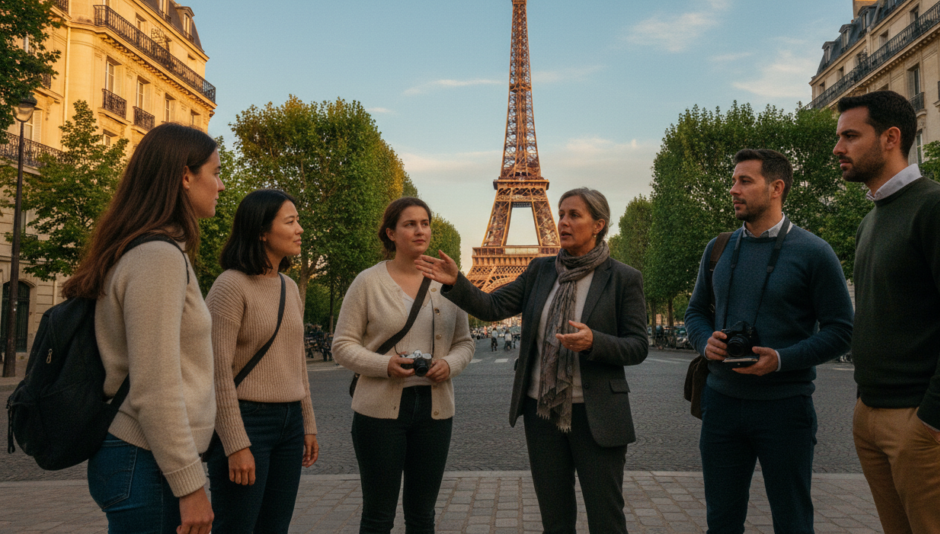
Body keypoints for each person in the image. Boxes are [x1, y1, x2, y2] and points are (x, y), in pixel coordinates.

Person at [417, 187, 649, 534]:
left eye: (575, 215)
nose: (563, 222)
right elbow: (493, 306)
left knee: (606, 517)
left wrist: (593, 342)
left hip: (597, 413)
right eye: (561, 213)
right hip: (543, 412)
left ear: (598, 224)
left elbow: (637, 345)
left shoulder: (623, 278)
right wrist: (457, 282)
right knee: (554, 518)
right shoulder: (541, 270)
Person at [834, 91, 940, 534]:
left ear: (890, 138)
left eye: (850, 135)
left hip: (925, 423)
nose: (838, 148)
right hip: (874, 414)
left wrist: (932, 420)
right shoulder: (871, 220)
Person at [684, 149, 853, 534]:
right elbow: (695, 312)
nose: (733, 189)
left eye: (745, 181)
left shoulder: (815, 252)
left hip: (785, 408)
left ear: (776, 188)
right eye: (733, 180)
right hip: (721, 404)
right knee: (721, 522)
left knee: (793, 522)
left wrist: (781, 358)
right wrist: (703, 340)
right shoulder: (718, 249)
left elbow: (842, 330)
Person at [65, 123, 223, 533]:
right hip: (145, 460)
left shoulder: (145, 249)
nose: (221, 185)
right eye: (215, 172)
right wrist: (190, 487)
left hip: (140, 459)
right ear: (186, 177)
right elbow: (155, 384)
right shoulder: (158, 256)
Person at [333, 197, 476, 533]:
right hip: (378, 413)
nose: (420, 230)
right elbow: (342, 345)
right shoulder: (367, 282)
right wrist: (385, 365)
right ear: (391, 234)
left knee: (423, 516)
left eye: (425, 223)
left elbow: (465, 342)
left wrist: (449, 365)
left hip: (435, 410)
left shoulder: (449, 281)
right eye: (410, 224)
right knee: (378, 516)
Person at [205, 189, 320, 533]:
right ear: (261, 231)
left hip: (289, 423)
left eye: (298, 220)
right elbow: (217, 372)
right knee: (237, 526)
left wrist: (308, 422)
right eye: (290, 221)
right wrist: (235, 443)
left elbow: (296, 359)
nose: (300, 228)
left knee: (275, 527)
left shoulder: (289, 286)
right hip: (247, 422)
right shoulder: (230, 286)